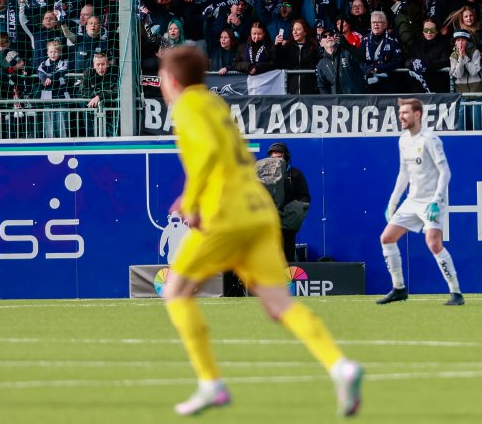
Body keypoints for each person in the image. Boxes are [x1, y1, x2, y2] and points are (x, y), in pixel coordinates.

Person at [156, 46, 362, 417]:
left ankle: (210, 383)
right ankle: (340, 366)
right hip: (258, 210)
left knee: (175, 290)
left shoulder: (187, 106)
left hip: (227, 213)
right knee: (279, 304)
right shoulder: (215, 103)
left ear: (171, 80)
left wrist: (191, 200)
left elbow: (207, 157)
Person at [377, 97, 464, 306]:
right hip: (412, 200)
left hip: (432, 201)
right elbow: (403, 173)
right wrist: (392, 202)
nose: (401, 116)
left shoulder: (430, 139)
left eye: (405, 113)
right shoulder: (403, 140)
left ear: (417, 114)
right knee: (387, 238)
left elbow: (445, 171)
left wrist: (437, 200)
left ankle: (456, 293)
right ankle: (399, 288)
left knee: (433, 243)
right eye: (400, 113)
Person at [265, 142, 312, 262]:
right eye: (273, 157)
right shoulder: (263, 176)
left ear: (286, 157)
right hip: (269, 221)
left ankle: (287, 279)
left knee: (287, 255)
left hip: (288, 221)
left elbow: (305, 197)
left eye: (279, 157)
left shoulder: (295, 174)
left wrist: (295, 212)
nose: (276, 160)